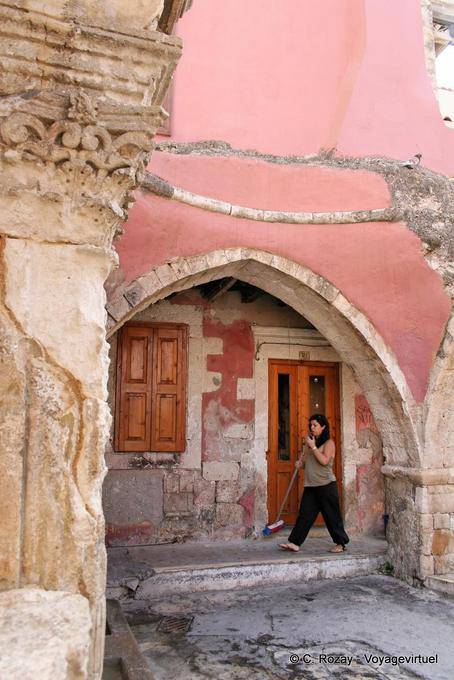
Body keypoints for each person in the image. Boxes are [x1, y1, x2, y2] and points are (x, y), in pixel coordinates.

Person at [279, 413, 349, 553]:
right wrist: (301, 464)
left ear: (323, 427)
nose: (312, 428)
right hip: (311, 486)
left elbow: (324, 461)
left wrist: (313, 447)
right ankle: (294, 543)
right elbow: (309, 464)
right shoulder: (311, 444)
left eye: (315, 425)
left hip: (326, 485)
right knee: (305, 514)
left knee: (331, 516)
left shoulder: (329, 443)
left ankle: (341, 544)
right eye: (310, 425)